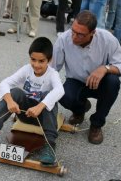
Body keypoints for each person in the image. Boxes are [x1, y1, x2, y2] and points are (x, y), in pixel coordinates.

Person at [0, 37, 65, 166]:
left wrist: (40, 106)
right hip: (26, 114)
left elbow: (60, 90)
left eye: (41, 61)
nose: (36, 65)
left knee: (49, 96)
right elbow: (4, 83)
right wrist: (10, 101)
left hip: (43, 118)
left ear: (49, 60)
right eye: (33, 60)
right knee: (14, 92)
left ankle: (49, 146)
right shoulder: (27, 69)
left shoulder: (52, 74)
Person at [52, 10, 121, 145]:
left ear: (92, 33)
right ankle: (80, 109)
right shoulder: (63, 39)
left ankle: (96, 124)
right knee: (62, 93)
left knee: (113, 82)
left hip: (100, 83)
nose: (74, 37)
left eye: (80, 34)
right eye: (73, 31)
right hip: (76, 81)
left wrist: (105, 68)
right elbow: (53, 69)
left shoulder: (107, 39)